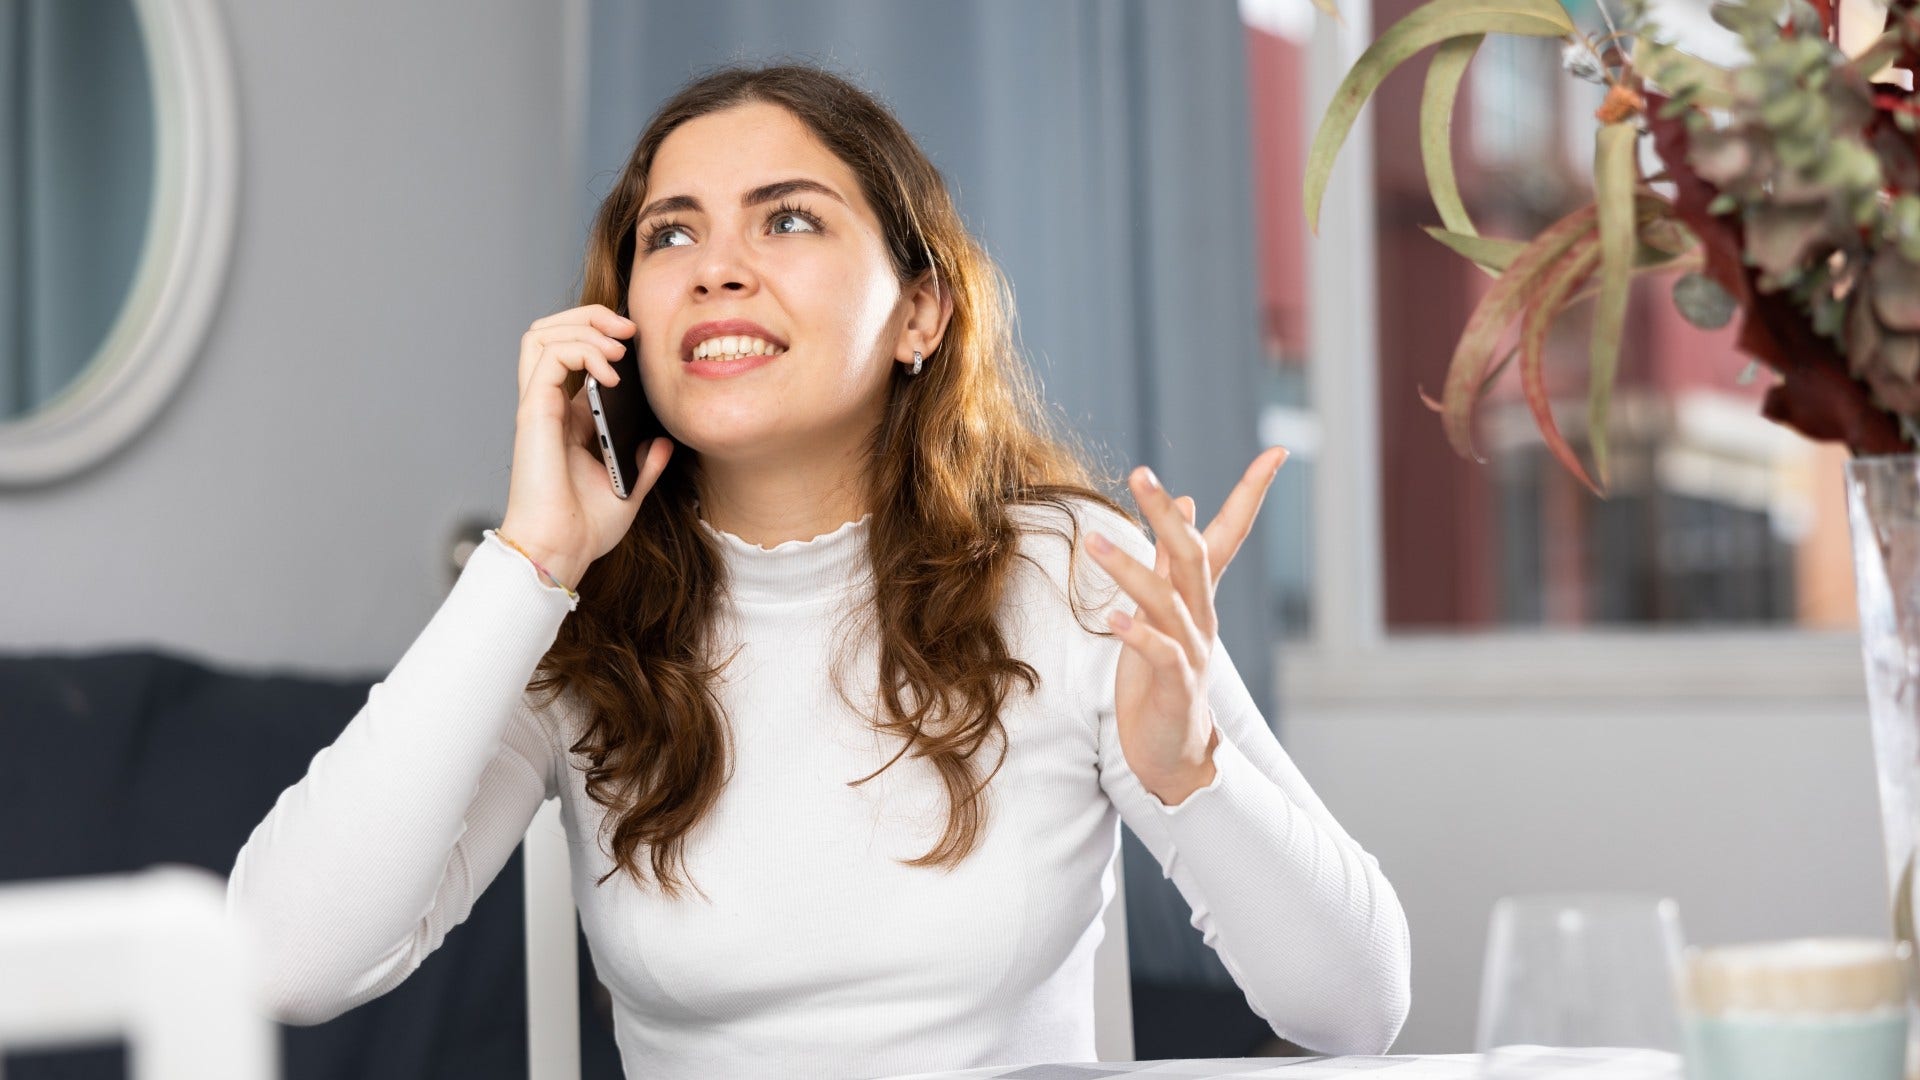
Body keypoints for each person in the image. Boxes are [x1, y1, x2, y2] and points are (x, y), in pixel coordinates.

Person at [225, 61, 1410, 1079]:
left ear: (921, 315)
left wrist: (1191, 776)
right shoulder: (576, 616)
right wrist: (530, 560)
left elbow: (1358, 1009)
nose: (715, 268)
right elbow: (284, 960)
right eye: (670, 232)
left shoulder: (1075, 568)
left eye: (787, 219)